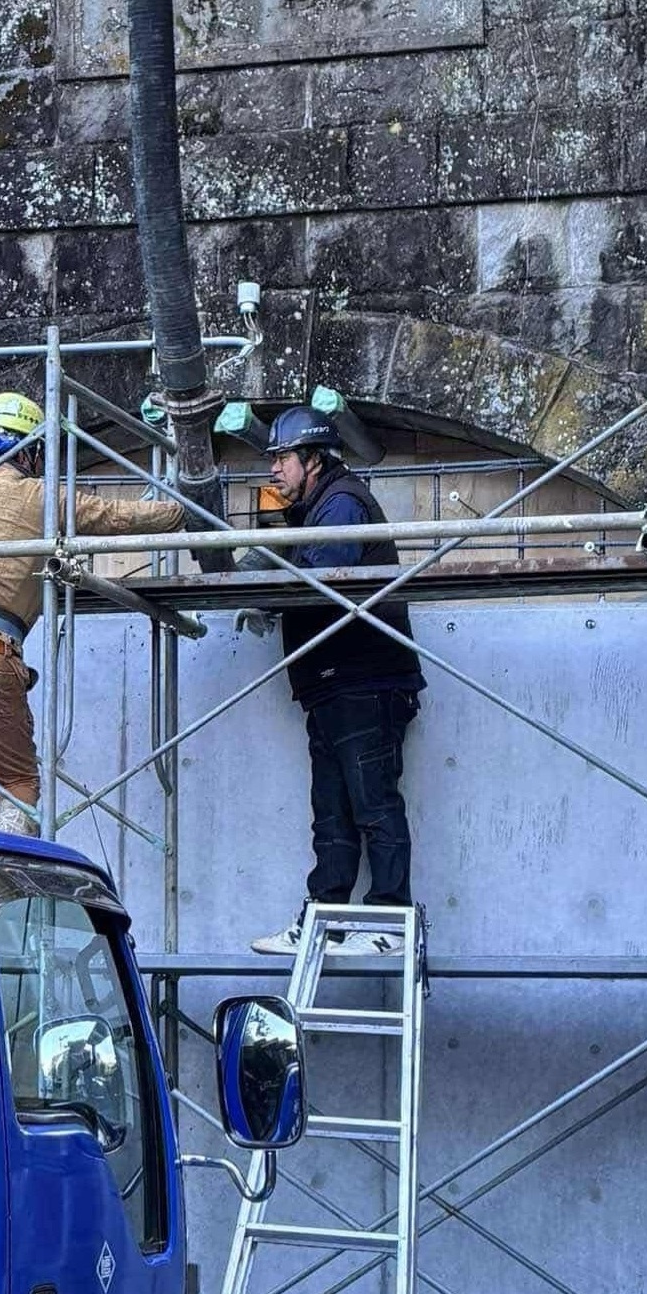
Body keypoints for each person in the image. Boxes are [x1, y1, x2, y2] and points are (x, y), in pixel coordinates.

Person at [0, 391, 184, 832]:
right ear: (31, 450)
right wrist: (181, 510)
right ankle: (3, 885)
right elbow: (113, 516)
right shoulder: (40, 497)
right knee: (17, 779)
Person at [249, 406, 424, 955]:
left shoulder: (342, 502)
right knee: (332, 813)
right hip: (333, 683)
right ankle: (326, 919)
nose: (274, 470)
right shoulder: (317, 509)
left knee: (373, 806)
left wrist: (268, 588)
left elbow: (324, 578)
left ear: (313, 459)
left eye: (282, 458)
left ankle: (390, 921)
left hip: (364, 681)